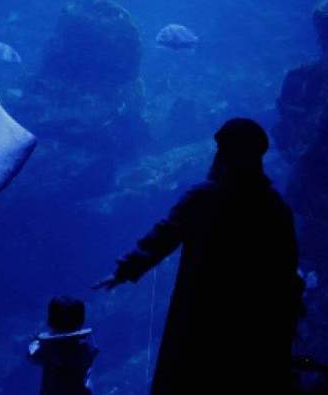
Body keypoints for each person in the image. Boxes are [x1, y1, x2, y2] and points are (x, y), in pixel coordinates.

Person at [93, 118, 305, 394]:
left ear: (225, 155)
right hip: (254, 327)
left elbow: (164, 235)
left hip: (199, 316)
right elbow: (287, 270)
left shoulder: (205, 197)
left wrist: (125, 270)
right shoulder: (276, 208)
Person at [28, 296, 99, 395]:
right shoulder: (85, 346)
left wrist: (35, 342)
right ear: (81, 321)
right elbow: (94, 353)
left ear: (50, 322)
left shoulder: (48, 348)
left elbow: (32, 356)